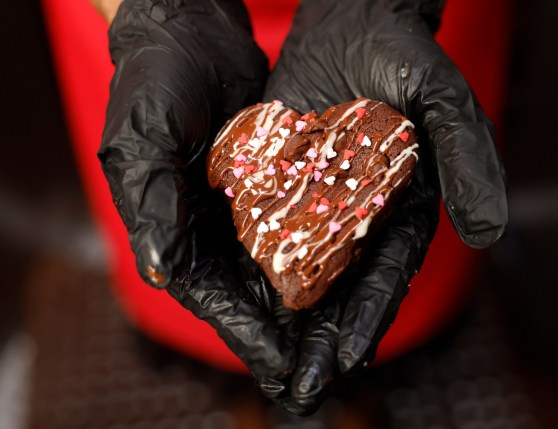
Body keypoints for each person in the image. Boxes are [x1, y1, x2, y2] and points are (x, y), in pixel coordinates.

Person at [92, 0, 507, 416]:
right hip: (167, 64)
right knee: (167, 209)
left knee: (390, 316)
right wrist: (156, 13)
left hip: (388, 42)